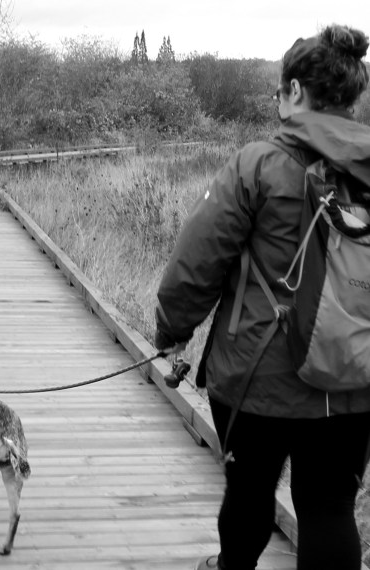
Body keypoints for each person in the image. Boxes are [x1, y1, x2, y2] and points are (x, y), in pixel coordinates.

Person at [153, 24, 370, 570]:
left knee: (249, 492)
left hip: (259, 377)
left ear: (295, 91)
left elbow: (197, 260)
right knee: (330, 508)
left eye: (279, 92)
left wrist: (172, 331)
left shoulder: (258, 164)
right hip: (353, 378)